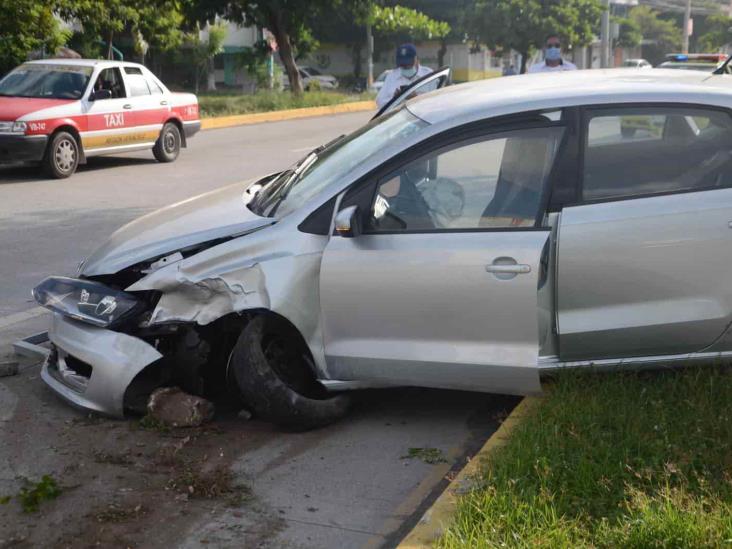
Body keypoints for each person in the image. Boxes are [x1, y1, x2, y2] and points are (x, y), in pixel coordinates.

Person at [375, 43, 433, 109]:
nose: (406, 67)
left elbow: (437, 102)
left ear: (416, 59)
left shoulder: (428, 75)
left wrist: (416, 98)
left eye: (409, 64)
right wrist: (395, 100)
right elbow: (380, 102)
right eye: (403, 65)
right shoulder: (392, 76)